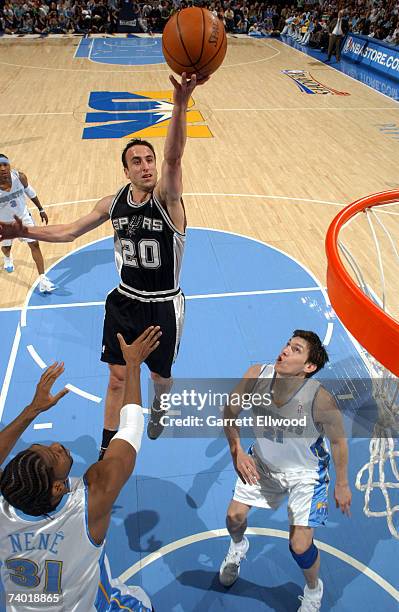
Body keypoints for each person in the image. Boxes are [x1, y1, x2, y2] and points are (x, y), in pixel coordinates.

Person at [0, 73, 208, 455]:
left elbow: (175, 156)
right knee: (116, 378)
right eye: (137, 161)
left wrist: (180, 103)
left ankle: (159, 406)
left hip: (163, 304)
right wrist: (23, 232)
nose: (147, 166)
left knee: (160, 378)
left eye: (150, 160)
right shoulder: (113, 204)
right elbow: (69, 232)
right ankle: (107, 446)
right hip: (124, 300)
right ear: (125, 170)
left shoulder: (168, 199)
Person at [0, 325, 161, 611]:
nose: (56, 445)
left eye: (42, 446)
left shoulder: (5, 510)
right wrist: (134, 365)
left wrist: (33, 410)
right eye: (53, 455)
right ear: (58, 487)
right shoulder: (90, 503)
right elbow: (131, 431)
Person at [219, 330, 352, 611]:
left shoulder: (320, 400)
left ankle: (314, 590)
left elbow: (339, 442)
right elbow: (229, 413)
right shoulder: (258, 374)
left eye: (296, 350)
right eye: (287, 345)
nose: (285, 351)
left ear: (309, 367)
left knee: (300, 546)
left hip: (306, 474)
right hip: (264, 465)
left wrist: (341, 483)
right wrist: (237, 452)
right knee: (233, 517)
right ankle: (238, 547)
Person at [0, 154, 55, 293]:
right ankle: (7, 258)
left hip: (23, 217)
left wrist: (41, 209)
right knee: (6, 248)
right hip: (4, 223)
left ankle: (43, 279)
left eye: (5, 164)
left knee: (35, 244)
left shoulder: (19, 177)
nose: (3, 168)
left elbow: (30, 192)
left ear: (9, 165)